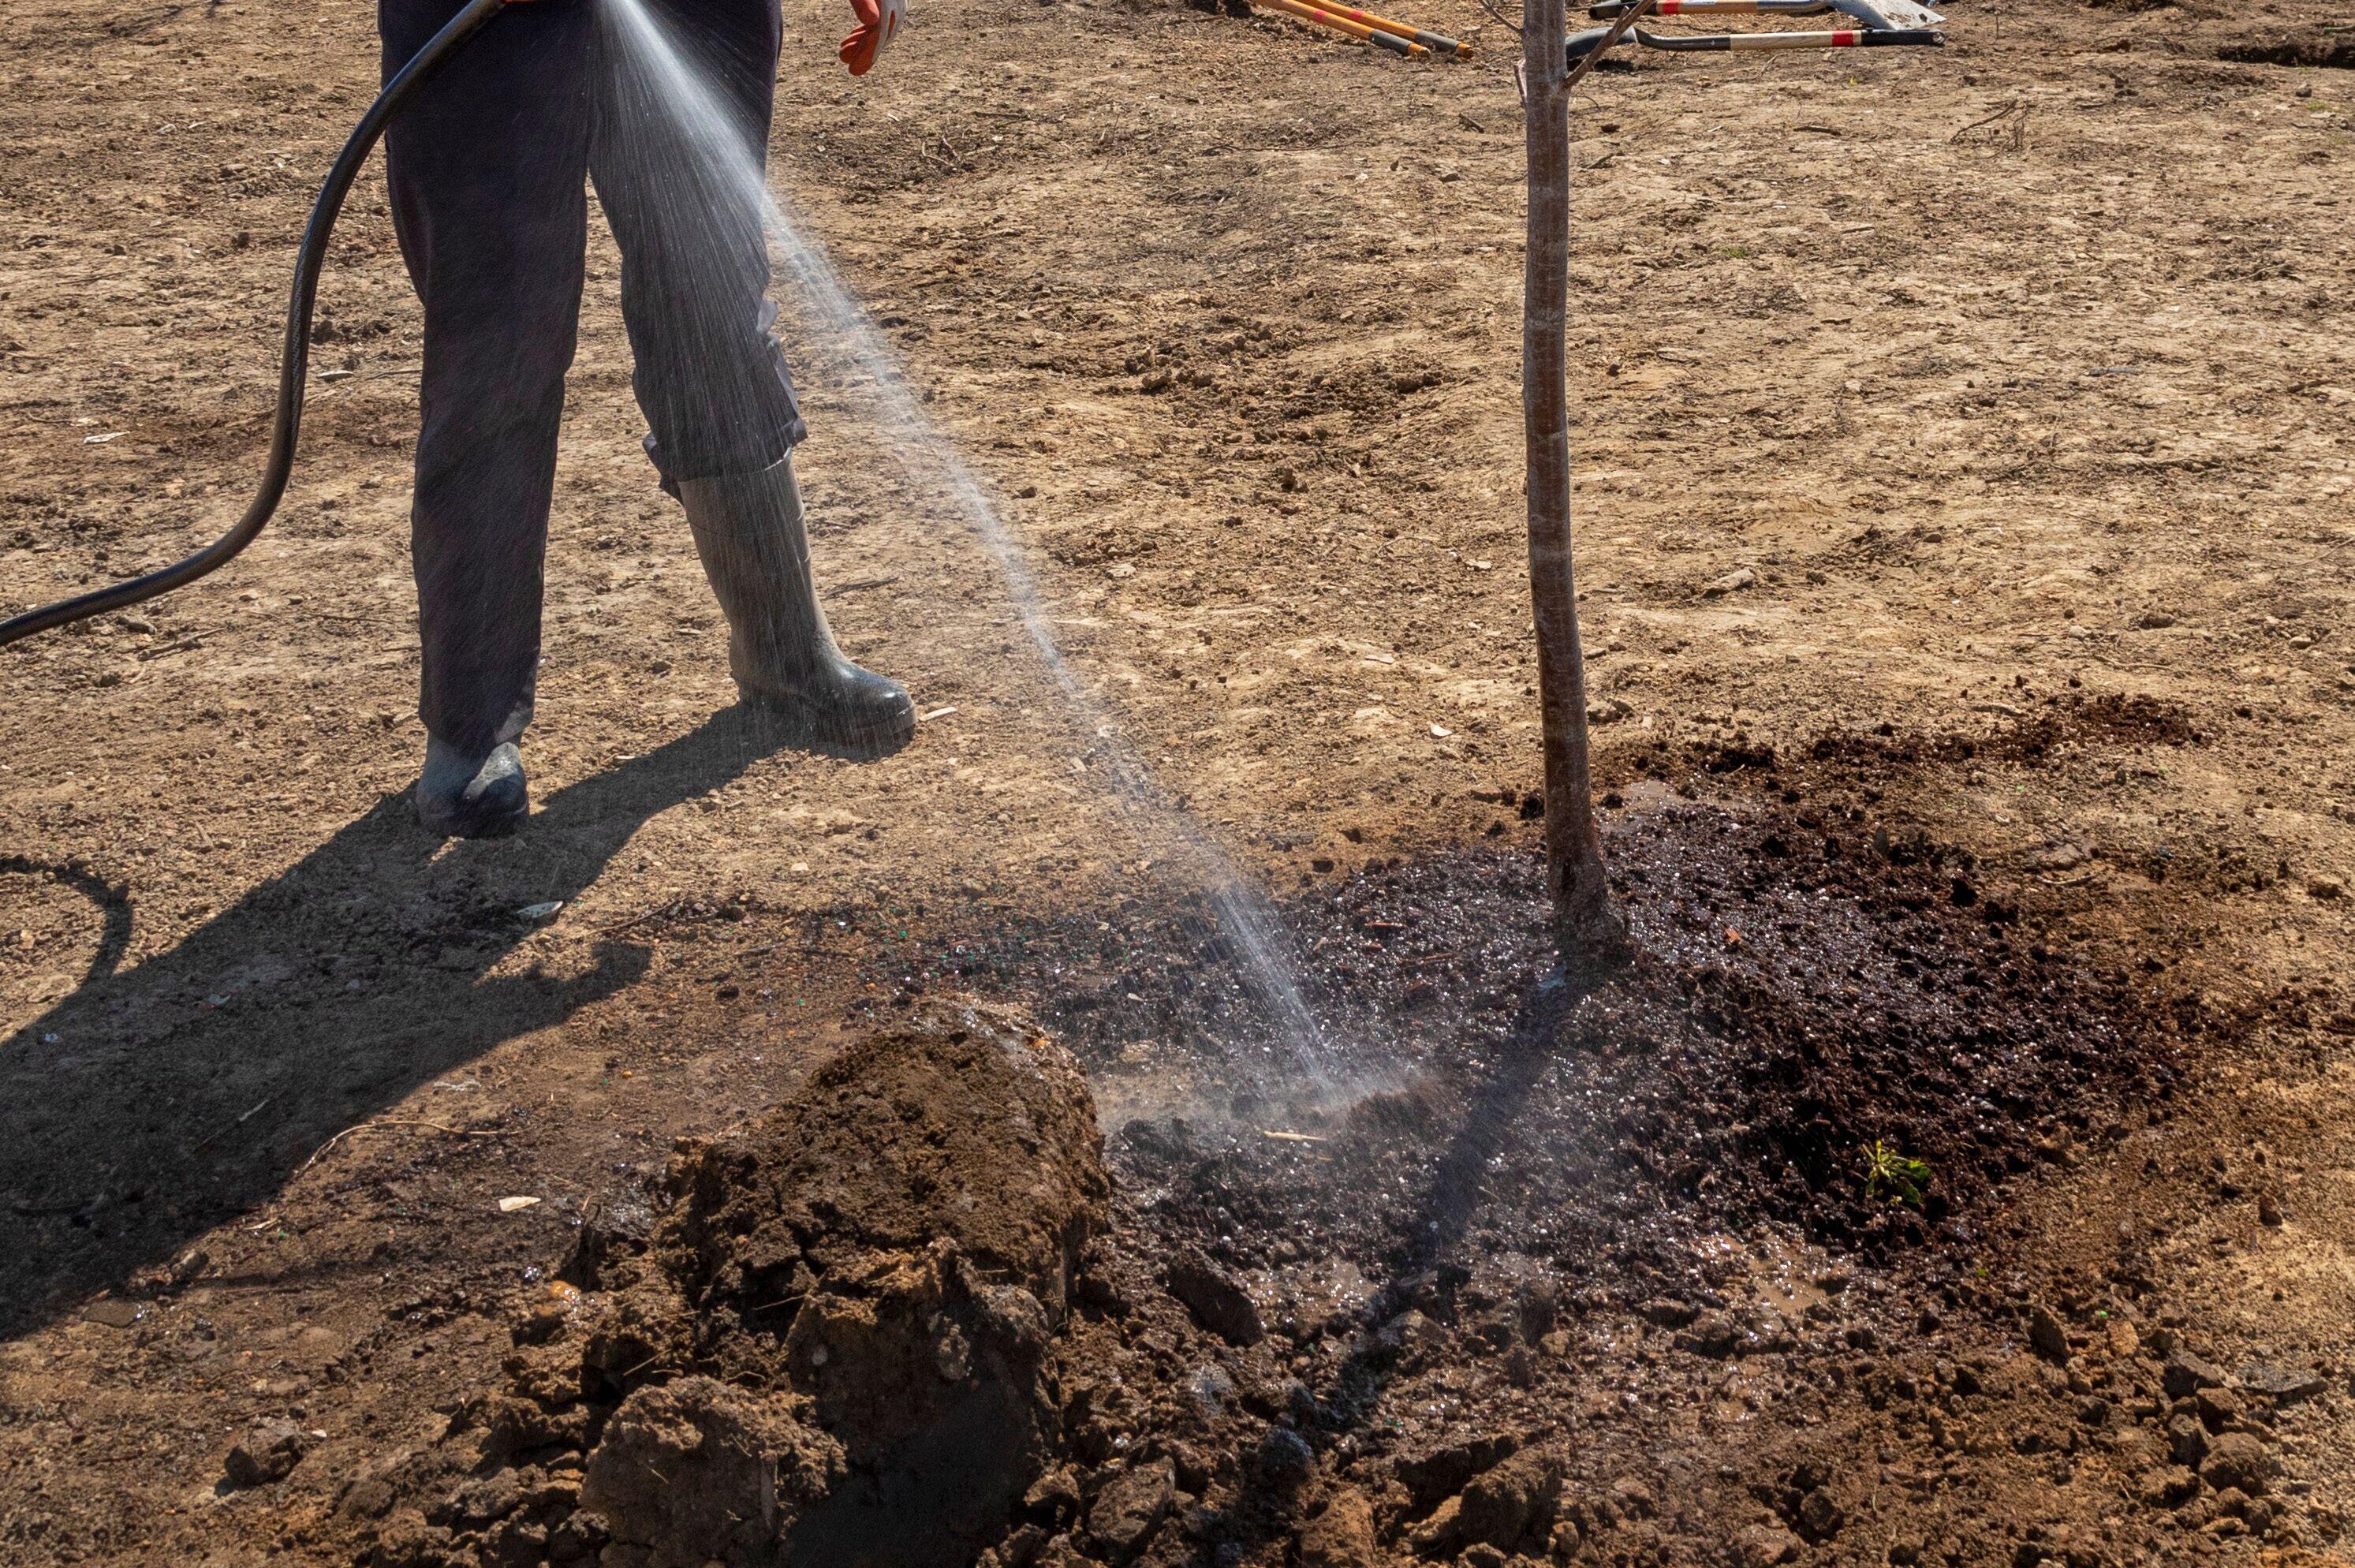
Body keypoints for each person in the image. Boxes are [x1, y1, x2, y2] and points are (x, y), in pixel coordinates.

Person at [379, 0, 913, 838]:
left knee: (716, 311)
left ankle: (784, 652)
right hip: (483, 26)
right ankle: (469, 720)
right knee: (496, 343)